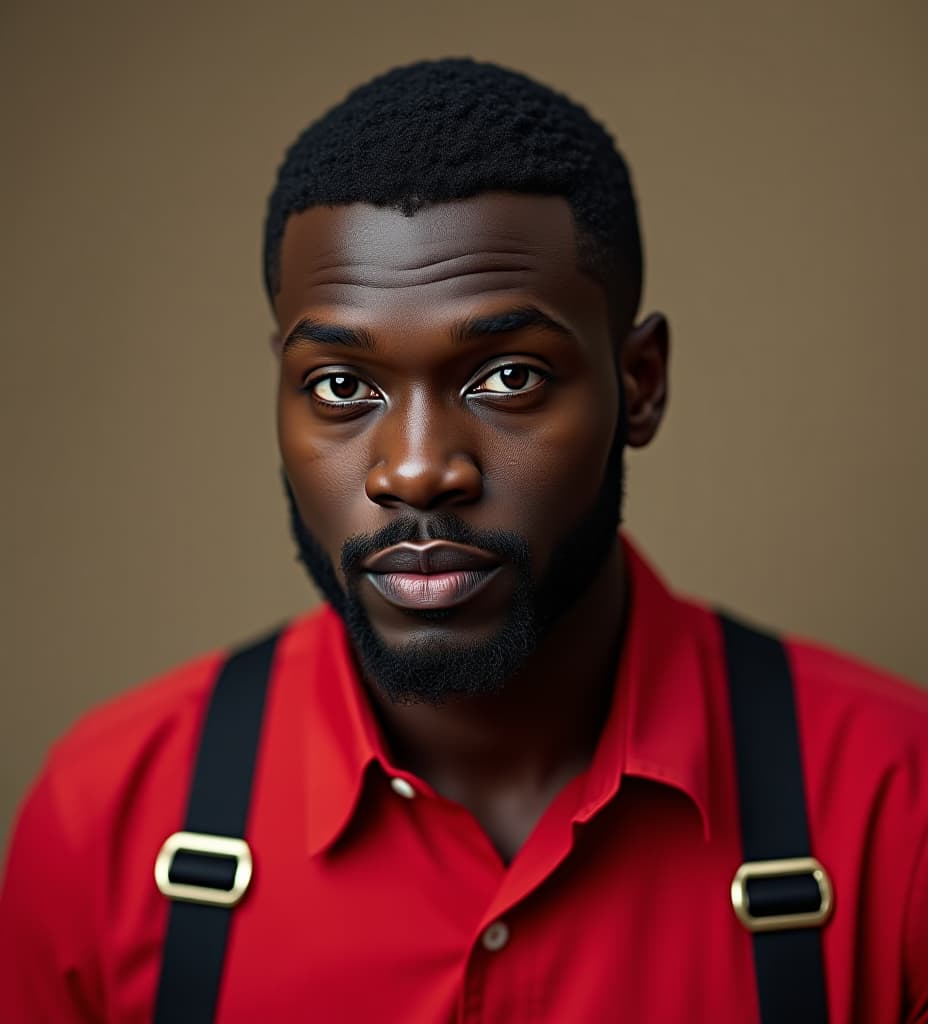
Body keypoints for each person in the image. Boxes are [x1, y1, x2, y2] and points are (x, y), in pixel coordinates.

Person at [1, 58, 926, 1024]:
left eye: (510, 377)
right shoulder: (107, 818)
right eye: (341, 387)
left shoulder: (895, 812)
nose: (416, 470)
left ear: (640, 383)